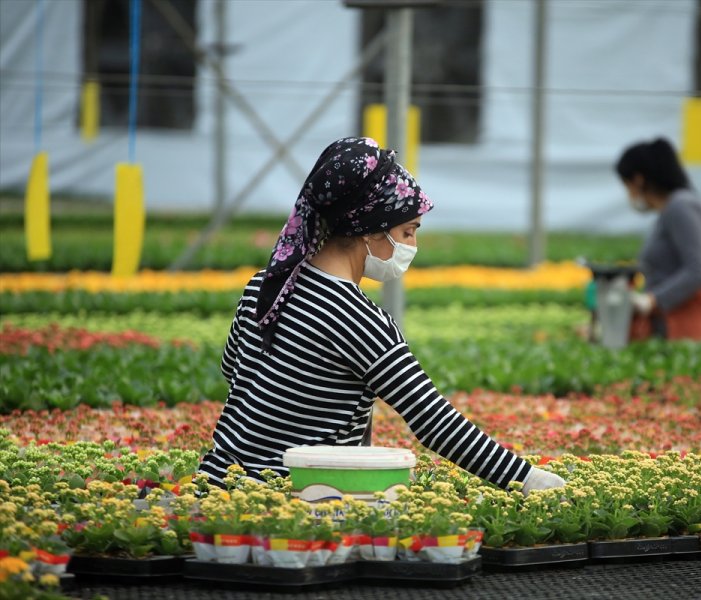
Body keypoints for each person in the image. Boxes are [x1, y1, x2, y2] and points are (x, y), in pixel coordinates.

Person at [198, 136, 565, 496]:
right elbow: (434, 422)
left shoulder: (266, 285)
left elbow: (235, 370)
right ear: (370, 230)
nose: (412, 246)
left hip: (214, 486)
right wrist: (529, 480)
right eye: (407, 231)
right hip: (286, 499)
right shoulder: (356, 318)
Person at [615, 137, 701, 341]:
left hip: (692, 324)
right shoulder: (670, 210)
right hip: (673, 322)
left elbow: (698, 271)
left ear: (638, 179)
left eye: (627, 185)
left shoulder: (681, 206)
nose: (629, 193)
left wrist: (652, 300)